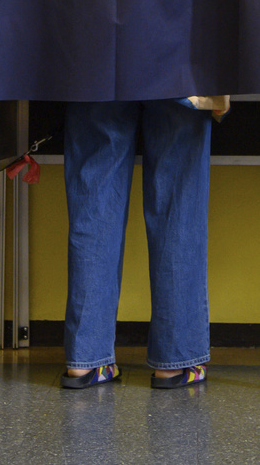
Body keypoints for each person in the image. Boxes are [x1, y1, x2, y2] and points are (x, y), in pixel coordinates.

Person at [60, 96, 228, 390]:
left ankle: (85, 361)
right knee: (179, 202)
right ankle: (177, 362)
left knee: (94, 201)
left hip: (95, 63)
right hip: (177, 63)